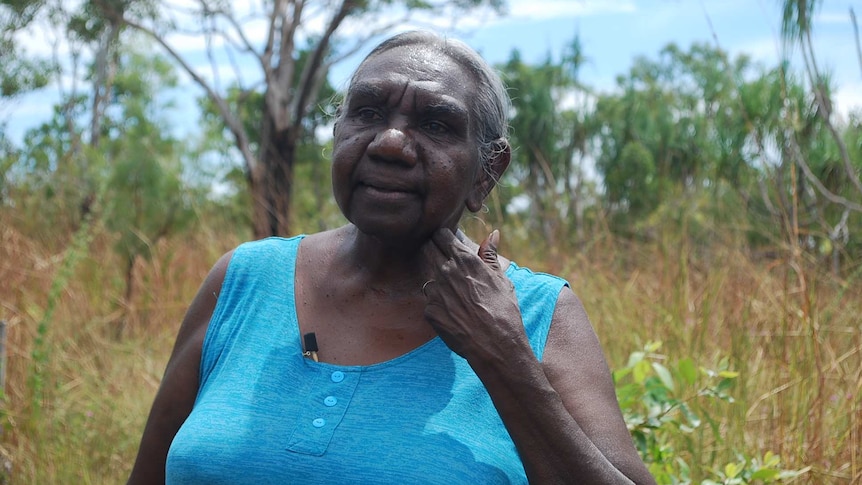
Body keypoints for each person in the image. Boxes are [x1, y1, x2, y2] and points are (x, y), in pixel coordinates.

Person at [128, 30, 656, 484]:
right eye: (368, 112)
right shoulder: (243, 280)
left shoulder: (540, 314)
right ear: (338, 134)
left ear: (487, 172)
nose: (390, 143)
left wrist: (502, 354)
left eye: (436, 125)